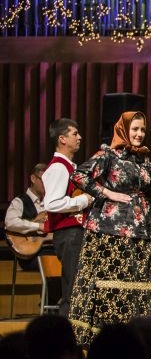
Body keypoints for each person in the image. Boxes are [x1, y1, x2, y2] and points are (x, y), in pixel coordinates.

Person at [66, 111, 151, 346]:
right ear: (124, 130)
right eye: (135, 130)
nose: (140, 134)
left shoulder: (144, 160)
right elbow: (78, 175)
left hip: (142, 231)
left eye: (142, 130)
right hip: (110, 232)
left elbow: (150, 196)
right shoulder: (109, 154)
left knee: (137, 288)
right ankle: (104, 341)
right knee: (110, 289)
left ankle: (134, 340)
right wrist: (106, 192)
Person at [42, 118, 95, 315]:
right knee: (73, 288)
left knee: (79, 287)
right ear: (62, 139)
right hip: (69, 234)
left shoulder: (70, 166)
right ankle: (65, 336)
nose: (79, 137)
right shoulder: (58, 167)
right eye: (75, 133)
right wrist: (84, 201)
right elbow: (52, 203)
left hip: (75, 233)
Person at [4, 163, 48, 271]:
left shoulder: (51, 203)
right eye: (44, 180)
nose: (47, 184)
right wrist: (38, 226)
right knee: (66, 263)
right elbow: (10, 223)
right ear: (33, 178)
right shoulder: (19, 201)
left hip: (52, 250)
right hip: (31, 256)